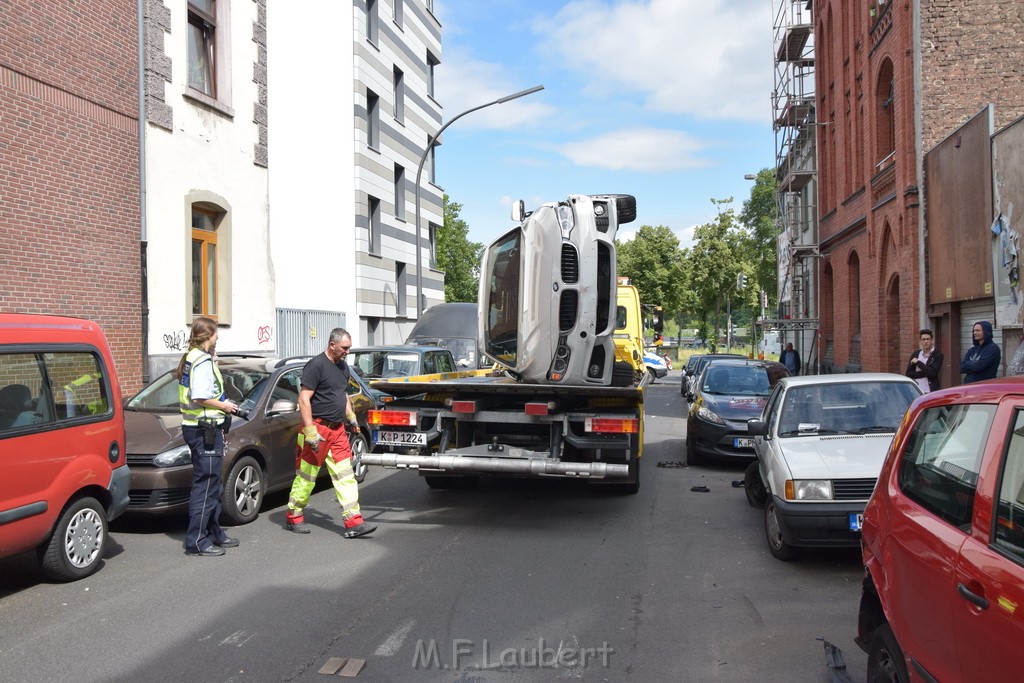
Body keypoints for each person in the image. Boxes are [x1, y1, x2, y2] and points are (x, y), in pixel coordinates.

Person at [285, 328, 376, 538]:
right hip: (317, 429)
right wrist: (309, 431)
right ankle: (294, 516)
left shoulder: (342, 366)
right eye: (344, 348)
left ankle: (354, 522)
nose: (347, 352)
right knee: (307, 477)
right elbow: (303, 399)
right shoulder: (316, 366)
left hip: (337, 430)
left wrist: (351, 417)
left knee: (346, 474)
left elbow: (342, 394)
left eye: (349, 348)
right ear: (332, 344)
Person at [177, 316, 239, 557]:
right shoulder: (201, 360)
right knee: (206, 486)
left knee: (213, 484)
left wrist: (223, 402)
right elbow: (200, 397)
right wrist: (225, 407)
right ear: (208, 336)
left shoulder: (193, 357)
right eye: (216, 336)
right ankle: (197, 541)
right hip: (205, 429)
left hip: (200, 427)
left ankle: (213, 532)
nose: (217, 339)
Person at [905, 328, 943, 393]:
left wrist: (918, 362)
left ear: (932, 340)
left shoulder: (937, 354)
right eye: (923, 339)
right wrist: (927, 372)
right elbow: (909, 374)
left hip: (930, 391)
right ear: (920, 341)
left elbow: (933, 373)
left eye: (928, 339)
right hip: (916, 390)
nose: (926, 341)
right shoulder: (916, 354)